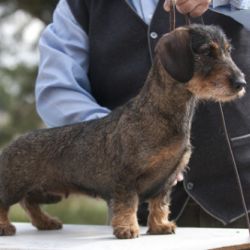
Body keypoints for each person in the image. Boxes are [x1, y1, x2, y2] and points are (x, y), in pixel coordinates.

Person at [35, 0, 250, 228]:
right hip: (135, 215)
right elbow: (56, 90)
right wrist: (120, 142)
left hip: (242, 197)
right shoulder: (79, 5)